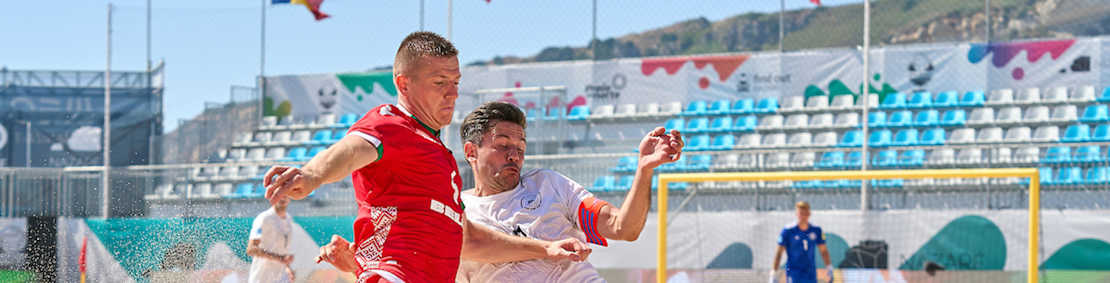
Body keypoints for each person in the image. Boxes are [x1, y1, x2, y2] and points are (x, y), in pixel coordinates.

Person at [263, 31, 590, 283]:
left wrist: (545, 248)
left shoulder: (440, 156)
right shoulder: (390, 123)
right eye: (440, 82)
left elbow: (469, 240)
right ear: (403, 84)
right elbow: (350, 151)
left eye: (456, 82)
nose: (453, 93)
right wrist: (312, 174)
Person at [450, 101, 685, 282]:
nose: (514, 155)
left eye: (520, 147)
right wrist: (546, 248)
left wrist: (644, 168)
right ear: (471, 152)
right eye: (502, 145)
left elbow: (622, 227)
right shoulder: (454, 210)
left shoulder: (549, 184)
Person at [771, 201, 833, 283]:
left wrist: (829, 267)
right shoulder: (788, 231)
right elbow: (779, 253)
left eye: (805, 213)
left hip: (810, 273)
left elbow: (824, 251)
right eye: (801, 213)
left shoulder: (816, 230)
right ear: (796, 214)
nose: (803, 216)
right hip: (793, 272)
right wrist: (773, 273)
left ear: (809, 214)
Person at [246, 196, 296, 283]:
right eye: (280, 195)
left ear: (290, 197)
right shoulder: (264, 218)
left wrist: (288, 268)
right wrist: (279, 258)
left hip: (280, 277)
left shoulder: (288, 219)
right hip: (261, 278)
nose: (283, 198)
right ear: (272, 197)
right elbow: (251, 249)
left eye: (286, 195)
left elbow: (282, 250)